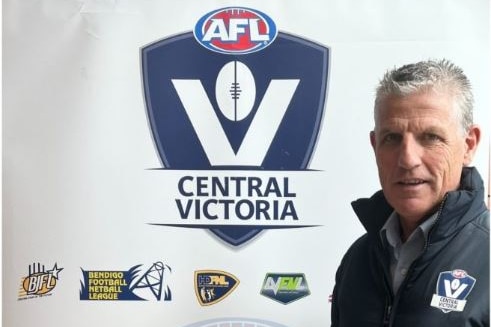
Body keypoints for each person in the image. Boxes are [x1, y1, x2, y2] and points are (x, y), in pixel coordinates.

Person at [330, 59, 489, 327]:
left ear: (468, 145)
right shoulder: (358, 258)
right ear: (374, 145)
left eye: (430, 137)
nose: (407, 159)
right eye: (391, 138)